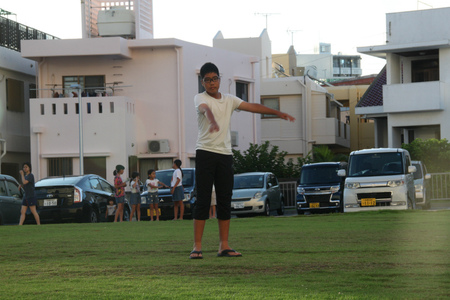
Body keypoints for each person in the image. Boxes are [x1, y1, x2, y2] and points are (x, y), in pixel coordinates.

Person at [190, 62, 295, 259]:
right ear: (202, 82)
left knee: (224, 199)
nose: (212, 83)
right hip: (205, 152)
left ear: (219, 79)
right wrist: (212, 120)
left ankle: (224, 246)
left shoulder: (229, 99)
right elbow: (205, 109)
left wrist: (276, 112)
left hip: (225, 155)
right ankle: (197, 246)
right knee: (203, 200)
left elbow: (252, 106)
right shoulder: (200, 98)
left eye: (215, 79)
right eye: (207, 80)